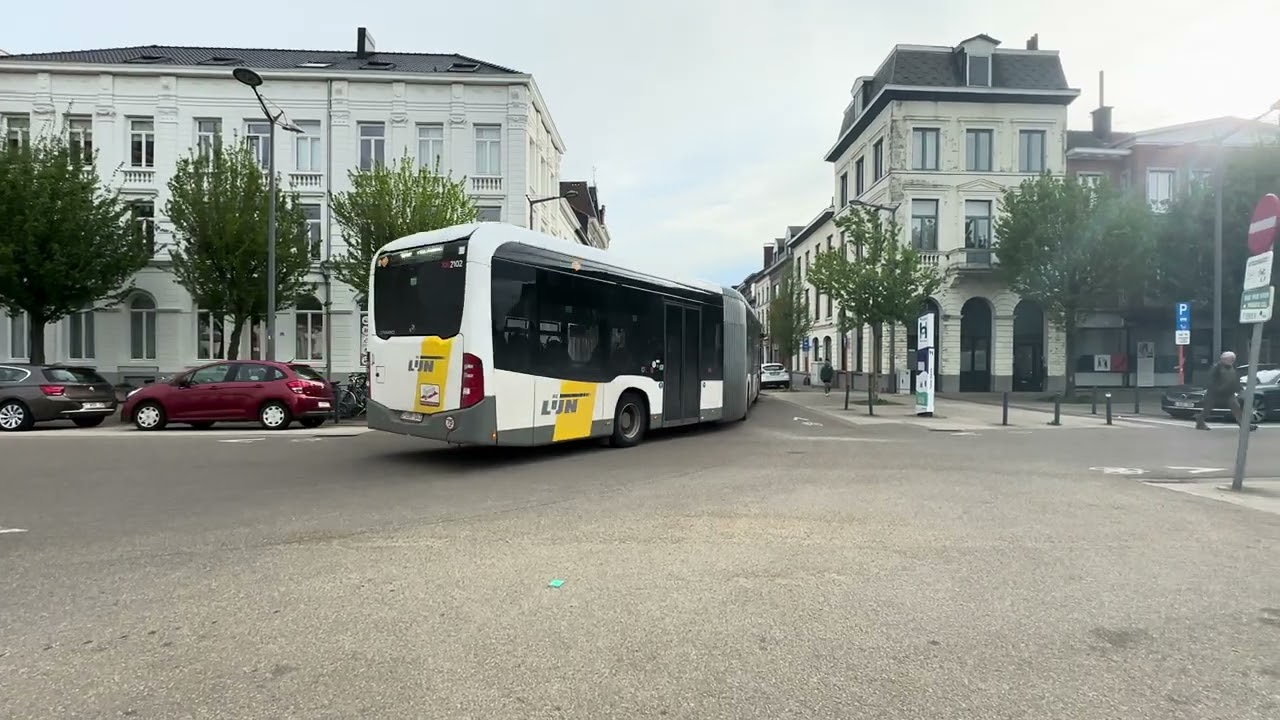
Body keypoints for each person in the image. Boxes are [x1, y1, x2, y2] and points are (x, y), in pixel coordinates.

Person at [1196, 351, 1256, 430]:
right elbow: (1211, 381)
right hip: (1214, 394)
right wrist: (1217, 389)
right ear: (1224, 359)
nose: (1233, 360)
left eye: (1233, 359)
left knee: (1236, 408)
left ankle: (1243, 425)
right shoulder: (1216, 368)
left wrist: (1238, 388)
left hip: (1228, 393)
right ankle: (1200, 422)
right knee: (1207, 409)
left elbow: (1235, 379)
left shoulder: (1233, 367)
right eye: (1231, 359)